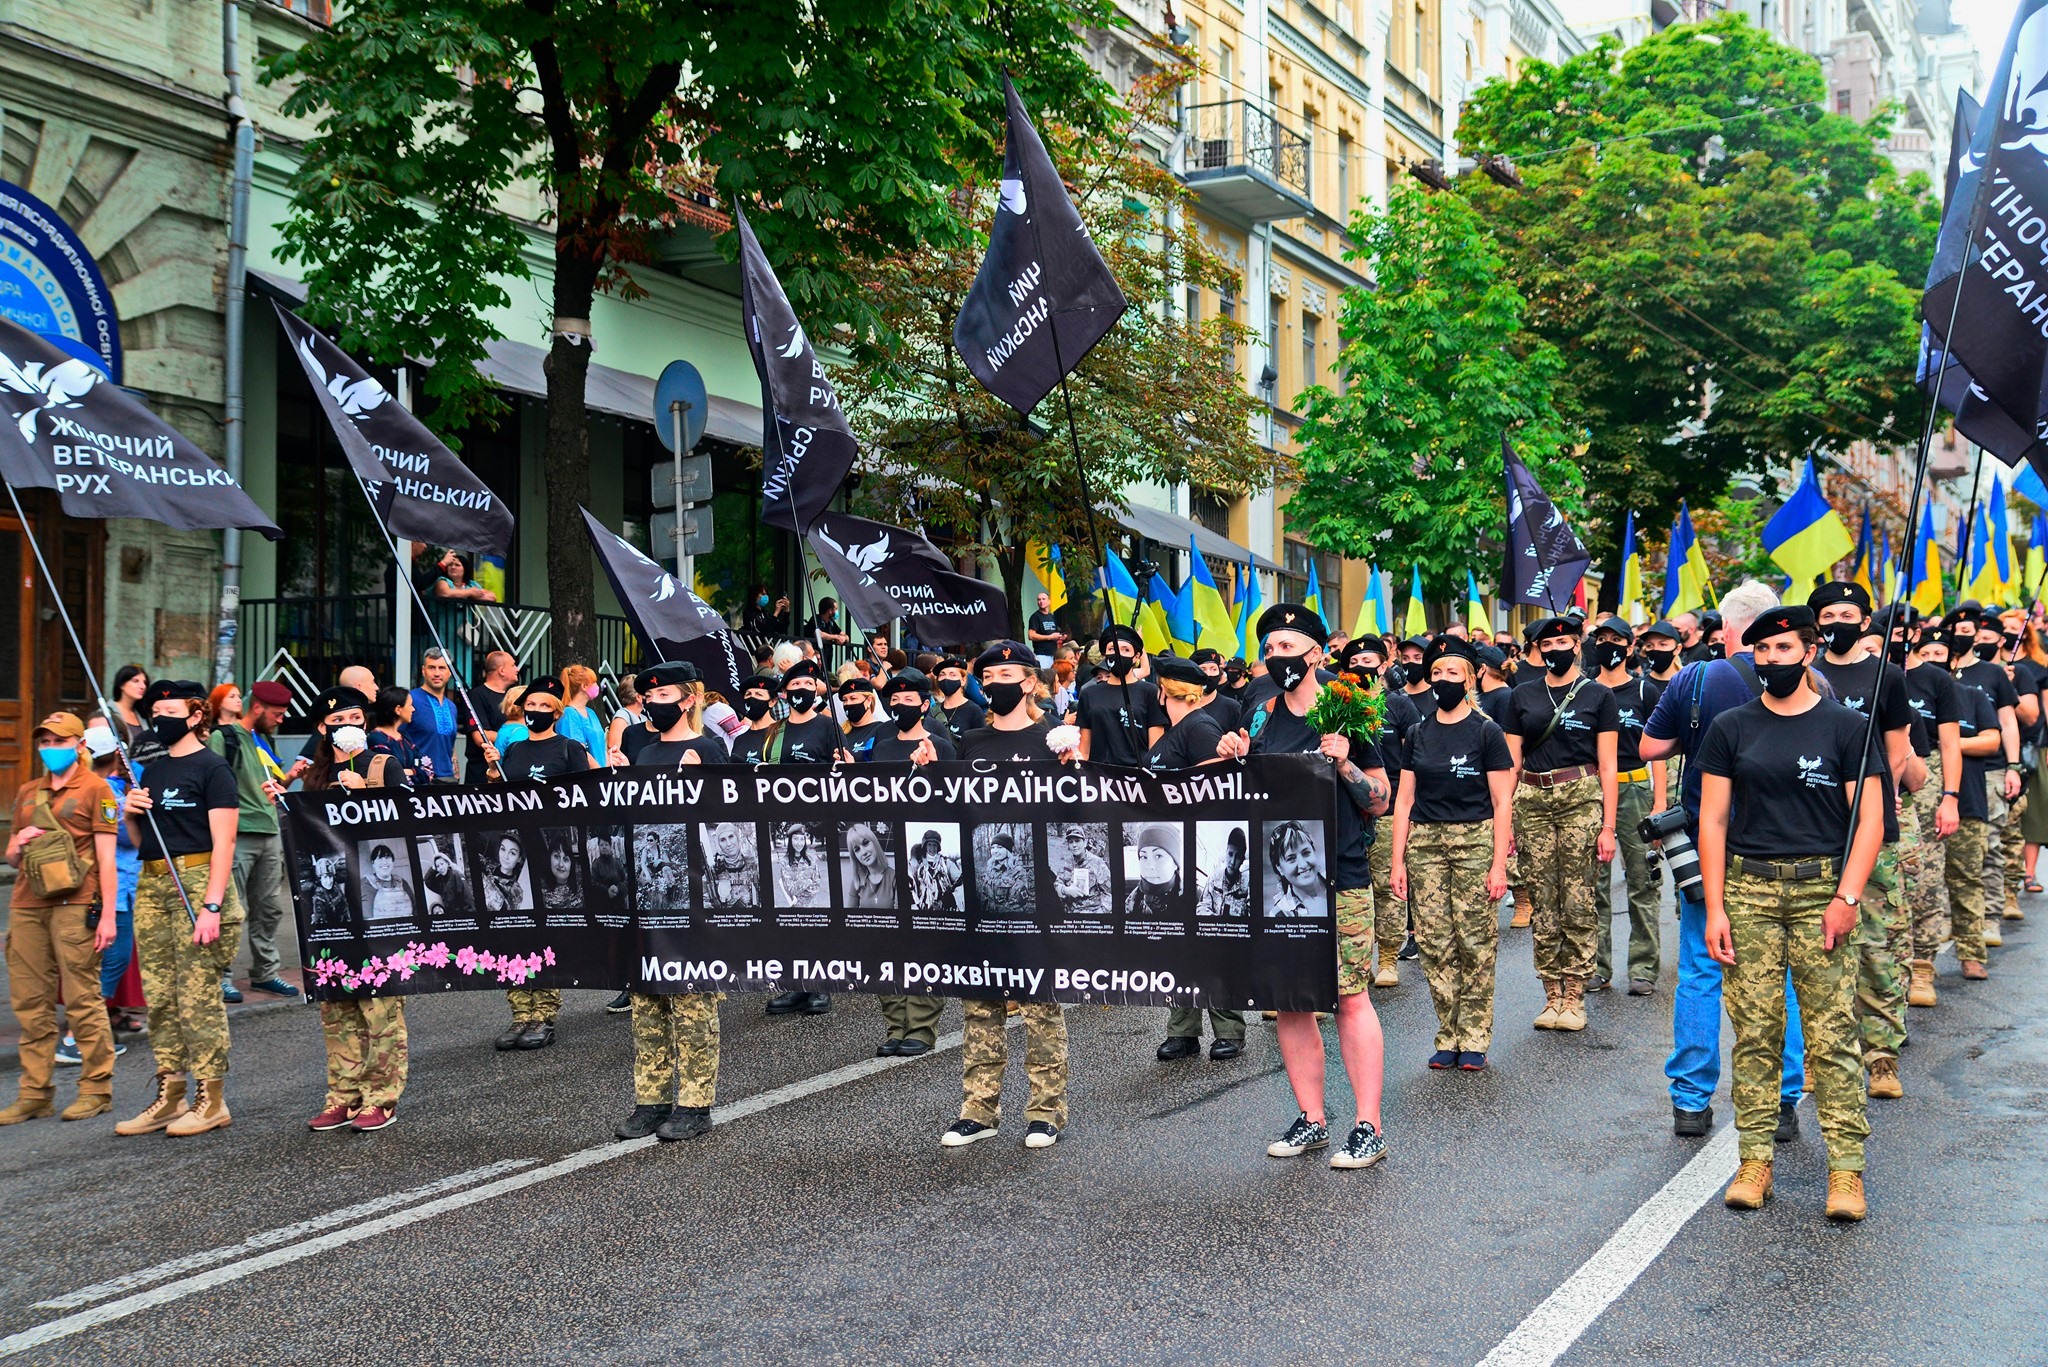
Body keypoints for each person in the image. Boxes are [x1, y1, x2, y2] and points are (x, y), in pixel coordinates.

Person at [1697, 605, 1883, 1221]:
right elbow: (1713, 821)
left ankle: (1846, 1172)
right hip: (1749, 894)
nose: (1773, 661)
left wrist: (1847, 898)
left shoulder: (1845, 727)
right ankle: (1754, 1161)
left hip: (1821, 893)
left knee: (1831, 1036)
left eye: (1784, 649)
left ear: (1809, 651)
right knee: (1755, 1033)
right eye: (1763, 652)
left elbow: (1871, 822)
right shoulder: (1731, 726)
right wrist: (1715, 907)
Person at [1220, 603, 1392, 1170]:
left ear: (1317, 653)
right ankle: (1312, 1119)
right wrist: (1236, 757)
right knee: (1292, 1001)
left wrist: (1344, 764)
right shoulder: (1264, 715)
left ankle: (1368, 1125)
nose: (1277, 657)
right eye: (1270, 648)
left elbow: (1380, 800)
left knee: (1349, 996)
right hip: (1280, 886)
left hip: (1339, 875)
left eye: (1289, 647)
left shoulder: (1352, 711)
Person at [1641, 580, 1808, 1141]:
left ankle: (1690, 1101)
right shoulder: (1812, 680)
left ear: (1727, 627)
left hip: (1703, 845)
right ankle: (1783, 1100)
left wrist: (1695, 737)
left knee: (1700, 970)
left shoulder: (1697, 677)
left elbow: (1648, 747)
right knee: (1779, 972)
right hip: (1778, 842)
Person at [940, 648, 1074, 1153]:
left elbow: (1075, 818)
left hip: (1035, 896)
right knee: (981, 1004)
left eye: (1005, 675)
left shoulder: (1050, 740)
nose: (994, 683)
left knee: (1040, 1006)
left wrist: (1070, 772)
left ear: (1028, 683)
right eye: (987, 676)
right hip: (980, 896)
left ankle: (1045, 1112)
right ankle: (978, 1109)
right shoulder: (971, 741)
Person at [114, 680, 246, 1137]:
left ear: (194, 716)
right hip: (153, 886)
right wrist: (129, 813)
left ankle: (211, 1099)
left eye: (169, 710)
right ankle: (170, 1094)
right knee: (162, 997)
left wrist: (211, 905)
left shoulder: (213, 768)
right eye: (155, 710)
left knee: (197, 998)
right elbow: (142, 844)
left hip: (196, 884)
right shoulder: (150, 770)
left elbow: (224, 842)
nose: (158, 717)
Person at [1808, 581, 1921, 1102]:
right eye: (1828, 613)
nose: (1838, 621)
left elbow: (1897, 750)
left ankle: (1881, 1058)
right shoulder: (1806, 674)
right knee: (1815, 950)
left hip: (1873, 829)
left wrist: (1881, 798)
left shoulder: (1887, 676)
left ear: (1865, 619)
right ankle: (1815, 1056)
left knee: (1876, 945)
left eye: (1848, 612)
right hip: (1813, 830)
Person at [1390, 637, 1514, 1071]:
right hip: (1425, 843)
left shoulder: (1486, 731)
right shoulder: (1417, 733)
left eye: (1452, 673)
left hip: (1475, 842)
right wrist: (1397, 861)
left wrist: (1500, 865)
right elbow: (1404, 800)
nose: (1443, 680)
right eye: (1437, 672)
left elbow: (1502, 802)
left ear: (1470, 678)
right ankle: (1448, 1033)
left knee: (1475, 941)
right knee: (1434, 942)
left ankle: (1475, 1037)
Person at [615, 661, 726, 1143]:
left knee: (691, 1000)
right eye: (648, 698)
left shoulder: (708, 749)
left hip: (693, 895)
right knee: (647, 999)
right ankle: (651, 1099)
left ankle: (695, 1102)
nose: (652, 705)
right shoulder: (643, 752)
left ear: (686, 700)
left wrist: (700, 786)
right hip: (647, 895)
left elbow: (730, 823)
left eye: (663, 698)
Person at [298, 685, 410, 1132]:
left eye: (353, 719)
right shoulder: (317, 774)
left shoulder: (384, 764)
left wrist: (367, 794)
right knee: (337, 1002)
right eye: (336, 723)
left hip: (379, 907)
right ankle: (342, 1094)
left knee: (379, 1003)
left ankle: (381, 1096)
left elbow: (411, 825)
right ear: (323, 730)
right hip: (332, 909)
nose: (347, 728)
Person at [1500, 614, 1619, 1032]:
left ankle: (1575, 996)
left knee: (1577, 899)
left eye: (1563, 643)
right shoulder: (1522, 695)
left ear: (1577, 645)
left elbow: (1608, 766)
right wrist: (1507, 820)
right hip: (1531, 799)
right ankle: (1551, 995)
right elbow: (1511, 762)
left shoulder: (1598, 696)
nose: (1555, 651)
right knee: (1543, 900)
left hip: (1580, 799)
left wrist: (1608, 826)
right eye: (1546, 646)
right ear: (1537, 650)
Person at [0, 712, 121, 1124]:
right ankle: (35, 1092)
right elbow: (12, 858)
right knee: (30, 1003)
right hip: (27, 904)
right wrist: (19, 841)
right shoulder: (28, 792)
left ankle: (96, 1088)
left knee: (82, 999)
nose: (50, 749)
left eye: (59, 742)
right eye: (45, 742)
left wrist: (107, 915)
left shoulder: (96, 789)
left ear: (79, 746)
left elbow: (107, 859)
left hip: (76, 904)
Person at [1143, 653, 1245, 1061]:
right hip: (1173, 845)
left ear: (1166, 691)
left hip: (1196, 846)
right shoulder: (1175, 730)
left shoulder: (1198, 726)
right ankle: (1183, 1030)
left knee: (1210, 941)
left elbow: (1215, 787)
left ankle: (1228, 1029)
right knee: (1178, 944)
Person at [491, 677, 596, 1050]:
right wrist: (492, 772)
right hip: (515, 853)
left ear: (556, 712)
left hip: (549, 857)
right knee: (514, 931)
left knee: (543, 933)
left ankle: (543, 1014)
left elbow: (589, 793)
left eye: (543, 706)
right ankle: (519, 1012)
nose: (534, 711)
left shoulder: (568, 747)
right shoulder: (514, 750)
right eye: (529, 705)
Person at [203, 682, 300, 1005]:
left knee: (269, 908)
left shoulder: (264, 739)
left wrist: (284, 786)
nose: (282, 719)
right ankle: (221, 976)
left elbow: (272, 783)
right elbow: (212, 784)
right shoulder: (225, 737)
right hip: (239, 832)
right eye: (277, 713)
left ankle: (265, 971)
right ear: (257, 708)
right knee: (232, 908)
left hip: (269, 830)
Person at [1588, 615, 1667, 995]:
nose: (1609, 646)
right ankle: (1597, 966)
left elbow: (1660, 751)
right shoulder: (1584, 690)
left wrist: (1660, 802)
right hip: (1592, 791)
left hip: (1635, 789)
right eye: (1601, 639)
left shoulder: (1644, 691)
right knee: (1594, 883)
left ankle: (1643, 968)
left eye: (1616, 639)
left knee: (1642, 880)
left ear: (1630, 646)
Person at [1899, 615, 1963, 1006]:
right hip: (1881, 783)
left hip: (1928, 779)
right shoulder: (1876, 676)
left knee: (1925, 875)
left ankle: (1922, 966)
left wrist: (1950, 797)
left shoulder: (1937, 680)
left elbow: (1950, 744)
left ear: (1914, 636)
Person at [1937, 631, 2003, 981]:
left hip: (1967, 799)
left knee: (1966, 881)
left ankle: (1972, 952)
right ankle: (1921, 963)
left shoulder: (1971, 696)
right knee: (1924, 891)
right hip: (1921, 806)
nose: (1934, 658)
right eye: (1925, 651)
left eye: (1940, 652)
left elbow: (1992, 740)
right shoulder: (1908, 693)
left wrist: (1949, 743)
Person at [1074, 624, 1165, 765]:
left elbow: (1155, 750)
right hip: (1099, 779)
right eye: (1112, 649)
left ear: (1136, 657)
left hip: (1137, 780)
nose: (1118, 654)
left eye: (1125, 650)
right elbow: (1084, 751)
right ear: (1105, 654)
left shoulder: (1150, 692)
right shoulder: (1089, 694)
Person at [427, 548, 497, 681]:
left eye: (457, 565)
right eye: (450, 564)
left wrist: (469, 593)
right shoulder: (443, 581)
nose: (453, 567)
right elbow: (445, 593)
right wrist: (469, 594)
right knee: (442, 663)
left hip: (463, 636)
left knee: (462, 666)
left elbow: (491, 597)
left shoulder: (471, 584)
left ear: (465, 569)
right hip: (444, 632)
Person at [396, 647, 462, 783]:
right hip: (419, 780)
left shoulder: (452, 707)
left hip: (447, 779)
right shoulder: (410, 700)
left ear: (449, 672)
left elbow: (450, 744)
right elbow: (395, 738)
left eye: (442, 668)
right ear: (423, 671)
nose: (437, 673)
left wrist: (456, 775)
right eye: (432, 668)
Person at [465, 650, 519, 781]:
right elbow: (480, 737)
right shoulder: (476, 696)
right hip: (481, 773)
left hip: (508, 771)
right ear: (501, 670)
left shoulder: (512, 696)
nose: (517, 669)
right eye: (513, 665)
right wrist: (514, 735)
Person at [368, 686, 427, 786]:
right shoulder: (377, 740)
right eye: (410, 705)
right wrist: (413, 772)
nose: (413, 709)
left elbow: (426, 767)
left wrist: (411, 772)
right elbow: (389, 775)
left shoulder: (404, 737)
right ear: (398, 709)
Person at [556, 663, 609, 762]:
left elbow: (600, 747)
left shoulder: (591, 713)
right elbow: (578, 752)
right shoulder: (569, 714)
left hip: (601, 774)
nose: (597, 686)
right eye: (594, 682)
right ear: (584, 686)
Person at [931, 656, 985, 745]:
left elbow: (979, 745)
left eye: (953, 675)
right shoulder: (933, 711)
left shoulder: (974, 711)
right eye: (942, 675)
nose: (946, 678)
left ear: (963, 680)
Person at [728, 675, 778, 764]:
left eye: (759, 694)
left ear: (772, 702)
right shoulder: (740, 740)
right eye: (748, 694)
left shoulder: (781, 733)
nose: (752, 698)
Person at [1028, 591, 1064, 667]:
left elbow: (1054, 633)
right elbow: (1031, 635)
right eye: (1039, 599)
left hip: (1053, 654)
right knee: (1044, 677)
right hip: (1042, 655)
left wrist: (1060, 637)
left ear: (1049, 601)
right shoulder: (1035, 617)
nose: (1041, 601)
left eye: (1043, 599)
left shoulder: (1051, 616)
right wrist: (1050, 637)